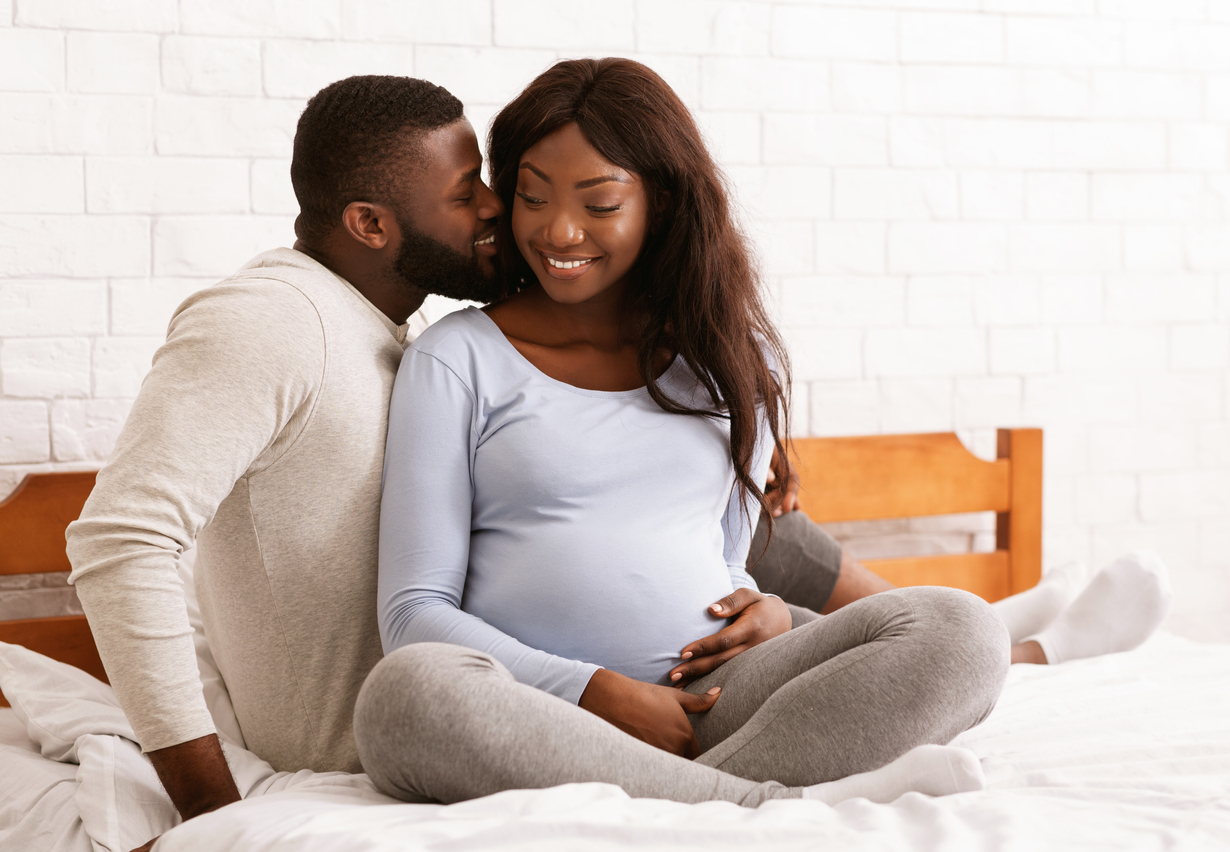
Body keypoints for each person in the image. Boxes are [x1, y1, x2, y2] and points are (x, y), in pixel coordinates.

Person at [356, 57, 1010, 809]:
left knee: (964, 631)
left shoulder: (733, 358)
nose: (558, 230)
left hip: (712, 700)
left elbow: (721, 562)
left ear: (660, 204)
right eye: (532, 198)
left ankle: (697, 792)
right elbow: (414, 615)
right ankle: (761, 803)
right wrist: (594, 690)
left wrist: (765, 609)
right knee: (403, 697)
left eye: (599, 204)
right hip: (539, 712)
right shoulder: (458, 358)